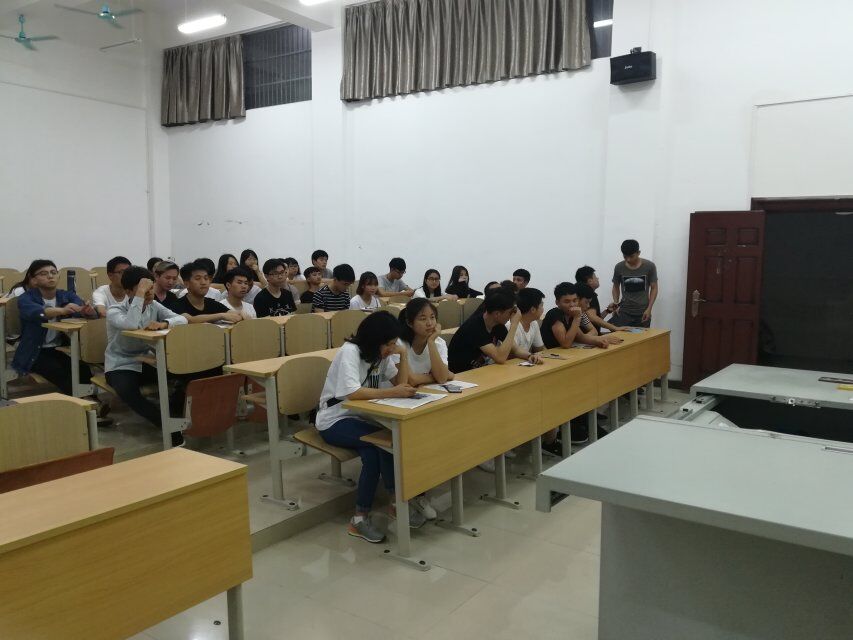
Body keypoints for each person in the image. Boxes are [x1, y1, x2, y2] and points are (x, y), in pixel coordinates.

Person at [316, 311, 422, 542]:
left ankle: (385, 507)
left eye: (394, 344)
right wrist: (393, 392)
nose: (391, 349)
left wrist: (403, 355)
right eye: (389, 344)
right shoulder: (351, 352)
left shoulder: (381, 354)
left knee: (380, 447)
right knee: (379, 444)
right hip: (334, 419)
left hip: (361, 417)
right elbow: (352, 392)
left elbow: (401, 384)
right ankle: (369, 514)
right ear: (375, 340)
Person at [104, 266, 188, 447]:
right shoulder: (115, 311)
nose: (149, 293)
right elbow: (131, 324)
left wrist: (164, 323)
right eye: (143, 289)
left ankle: (173, 413)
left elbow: (182, 319)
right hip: (120, 364)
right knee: (128, 392)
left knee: (183, 374)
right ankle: (167, 427)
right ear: (128, 291)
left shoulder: (153, 306)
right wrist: (140, 295)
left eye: (150, 288)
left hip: (147, 360)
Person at [394, 298, 454, 519]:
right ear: (409, 322)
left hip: (422, 400)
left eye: (432, 318)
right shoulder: (400, 343)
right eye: (422, 319)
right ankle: (413, 494)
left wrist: (431, 343)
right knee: (419, 437)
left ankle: (421, 488)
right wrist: (434, 376)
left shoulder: (437, 343)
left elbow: (441, 377)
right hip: (395, 402)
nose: (429, 323)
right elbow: (408, 379)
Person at [11, 260, 98, 395]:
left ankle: (92, 400)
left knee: (83, 369)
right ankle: (84, 401)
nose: (50, 276)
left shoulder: (65, 295)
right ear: (33, 280)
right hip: (34, 352)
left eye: (53, 272)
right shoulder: (26, 298)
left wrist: (87, 311)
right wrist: (62, 310)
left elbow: (79, 308)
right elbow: (39, 312)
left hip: (57, 348)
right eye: (43, 274)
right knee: (60, 373)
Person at [448, 288, 521, 373]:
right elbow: (500, 358)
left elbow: (516, 349)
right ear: (497, 314)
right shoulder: (474, 327)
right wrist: (514, 325)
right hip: (462, 374)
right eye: (511, 312)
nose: (512, 315)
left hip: (479, 371)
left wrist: (530, 356)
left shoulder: (497, 324)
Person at [172, 260, 242, 324]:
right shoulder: (178, 305)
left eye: (206, 278)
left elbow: (233, 314)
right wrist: (221, 315)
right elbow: (190, 320)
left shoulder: (212, 303)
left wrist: (241, 314)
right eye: (198, 278)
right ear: (186, 283)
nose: (203, 282)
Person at [611, 239, 658, 327]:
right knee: (620, 335)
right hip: (624, 311)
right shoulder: (619, 267)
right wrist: (616, 303)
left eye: (631, 256)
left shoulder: (649, 266)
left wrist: (649, 308)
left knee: (643, 335)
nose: (628, 259)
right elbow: (615, 286)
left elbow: (654, 288)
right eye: (625, 257)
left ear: (638, 253)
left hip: (643, 311)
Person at [540, 282, 583, 350]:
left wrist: (599, 340)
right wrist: (577, 318)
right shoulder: (554, 313)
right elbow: (566, 344)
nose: (572, 305)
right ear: (557, 302)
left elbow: (581, 337)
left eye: (575, 301)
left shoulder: (571, 314)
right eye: (567, 302)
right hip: (549, 353)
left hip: (564, 353)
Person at [509, 287, 545, 363]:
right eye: (541, 305)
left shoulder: (534, 323)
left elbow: (539, 349)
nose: (543, 309)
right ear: (533, 309)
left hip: (522, 363)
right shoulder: (511, 325)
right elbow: (512, 354)